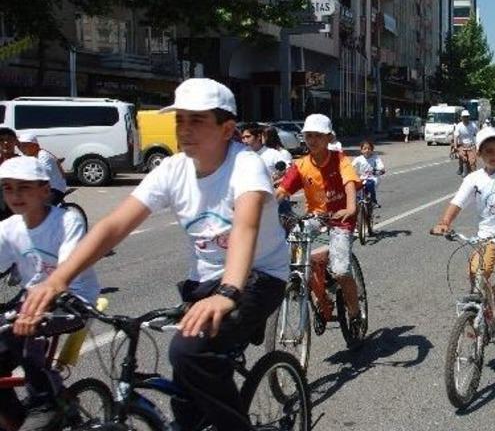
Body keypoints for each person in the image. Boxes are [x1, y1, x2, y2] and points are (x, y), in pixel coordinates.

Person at [16, 78, 289, 431]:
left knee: (187, 352)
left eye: (196, 120)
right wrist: (57, 280)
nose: (184, 130)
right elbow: (114, 226)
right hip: (205, 283)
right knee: (186, 393)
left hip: (258, 277)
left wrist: (228, 292)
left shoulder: (245, 164)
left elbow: (245, 226)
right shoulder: (172, 169)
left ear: (227, 129)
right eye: (180, 120)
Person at [0, 157, 100, 431]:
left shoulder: (67, 220)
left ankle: (45, 402)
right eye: (8, 188)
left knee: (30, 335)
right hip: (30, 301)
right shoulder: (9, 227)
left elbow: (68, 268)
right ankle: (17, 417)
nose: (15, 195)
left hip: (73, 300)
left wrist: (40, 304)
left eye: (24, 187)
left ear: (45, 190)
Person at [431, 100, 495, 369]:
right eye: (489, 151)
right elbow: (456, 204)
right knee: (476, 271)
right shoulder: (474, 178)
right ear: (479, 153)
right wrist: (444, 222)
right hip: (487, 237)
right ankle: (485, 312)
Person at [276, 114, 364, 337]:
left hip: (341, 217)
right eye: (308, 136)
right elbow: (282, 191)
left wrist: (351, 207)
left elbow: (350, 183)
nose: (312, 140)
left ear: (328, 138)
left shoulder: (339, 159)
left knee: (342, 270)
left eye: (318, 136)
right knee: (296, 252)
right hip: (315, 217)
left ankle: (355, 313)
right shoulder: (301, 165)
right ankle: (321, 299)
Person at [16, 133, 68, 206]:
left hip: (55, 187)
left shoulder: (44, 157)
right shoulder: (25, 154)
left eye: (25, 145)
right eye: (20, 145)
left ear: (35, 146)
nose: (22, 148)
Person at [352, 141, 385, 207]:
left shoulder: (375, 158)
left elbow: (381, 167)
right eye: (365, 148)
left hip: (373, 178)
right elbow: (351, 166)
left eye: (369, 149)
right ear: (361, 150)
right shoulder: (358, 159)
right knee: (354, 189)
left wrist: (381, 170)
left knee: (369, 184)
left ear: (372, 150)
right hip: (362, 178)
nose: (367, 150)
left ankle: (373, 200)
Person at [452, 110, 478, 176]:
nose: (465, 118)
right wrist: (455, 146)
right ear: (461, 117)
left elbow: (478, 134)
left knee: (472, 161)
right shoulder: (459, 126)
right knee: (462, 158)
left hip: (471, 146)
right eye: (464, 117)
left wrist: (479, 145)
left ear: (468, 117)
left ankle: (474, 174)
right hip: (462, 145)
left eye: (467, 117)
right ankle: (461, 168)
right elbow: (455, 136)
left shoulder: (473, 125)